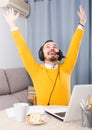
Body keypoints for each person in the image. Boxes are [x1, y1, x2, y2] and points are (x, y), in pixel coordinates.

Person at [4, 5, 86, 106]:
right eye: (47, 46)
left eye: (54, 46)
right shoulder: (36, 70)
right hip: (44, 117)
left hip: (65, 117)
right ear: (42, 53)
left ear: (58, 52)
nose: (52, 48)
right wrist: (13, 26)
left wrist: (81, 24)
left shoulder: (66, 68)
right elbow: (23, 50)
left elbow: (75, 46)